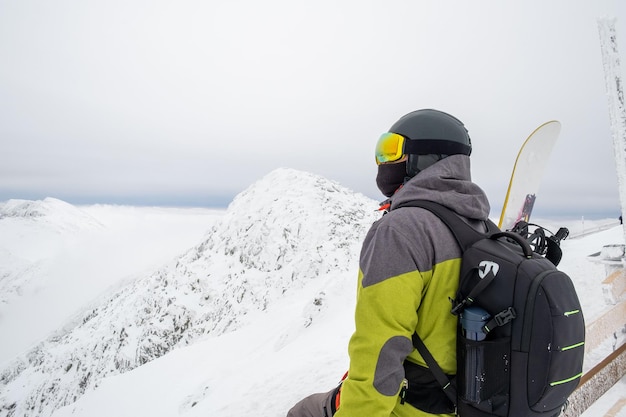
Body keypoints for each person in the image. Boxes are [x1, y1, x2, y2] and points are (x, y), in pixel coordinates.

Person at [286, 109, 492, 417]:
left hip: (414, 408)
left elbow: (380, 351)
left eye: (391, 149)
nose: (383, 161)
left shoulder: (401, 230)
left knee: (304, 411)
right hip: (472, 403)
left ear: (423, 158)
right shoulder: (484, 227)